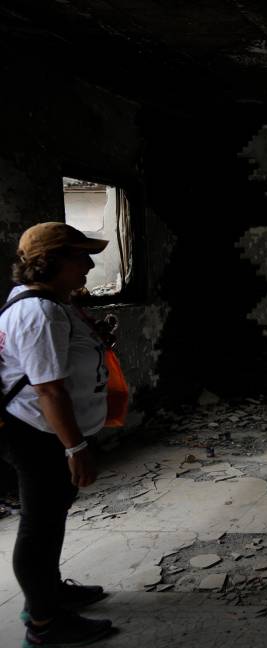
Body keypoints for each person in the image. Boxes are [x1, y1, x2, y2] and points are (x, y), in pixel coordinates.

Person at [0, 222, 116, 646]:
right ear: (51, 261)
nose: (89, 265)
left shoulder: (52, 303)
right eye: (80, 256)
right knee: (40, 524)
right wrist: (76, 447)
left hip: (46, 429)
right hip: (37, 431)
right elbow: (48, 389)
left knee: (51, 517)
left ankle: (48, 592)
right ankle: (44, 623)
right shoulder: (40, 311)